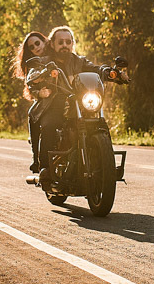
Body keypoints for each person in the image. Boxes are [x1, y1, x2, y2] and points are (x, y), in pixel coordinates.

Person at [32, 26, 105, 179]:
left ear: (72, 44)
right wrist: (38, 75)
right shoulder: (45, 61)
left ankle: (105, 162)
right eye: (60, 42)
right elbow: (33, 73)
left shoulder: (79, 61)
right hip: (54, 105)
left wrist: (109, 72)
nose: (64, 45)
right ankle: (45, 168)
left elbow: (95, 68)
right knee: (49, 126)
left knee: (99, 124)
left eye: (68, 42)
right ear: (52, 44)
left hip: (79, 103)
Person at [10, 31, 49, 172]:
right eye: (31, 47)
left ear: (44, 41)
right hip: (45, 101)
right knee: (33, 114)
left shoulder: (58, 54)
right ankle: (37, 158)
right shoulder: (33, 65)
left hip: (67, 97)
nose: (36, 47)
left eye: (37, 43)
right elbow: (31, 86)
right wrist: (40, 93)